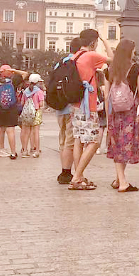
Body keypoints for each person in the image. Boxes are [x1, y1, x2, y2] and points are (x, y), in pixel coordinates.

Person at [68, 29, 114, 190]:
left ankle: (79, 176)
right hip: (88, 105)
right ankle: (76, 178)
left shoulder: (75, 56)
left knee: (78, 140)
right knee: (94, 142)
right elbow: (113, 61)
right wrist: (106, 42)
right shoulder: (91, 55)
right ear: (94, 42)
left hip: (76, 104)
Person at [106, 39, 139, 192]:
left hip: (114, 113)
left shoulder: (110, 69)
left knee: (117, 145)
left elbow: (107, 94)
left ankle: (118, 179)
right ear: (129, 51)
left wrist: (108, 115)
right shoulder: (135, 69)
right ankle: (123, 183)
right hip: (130, 112)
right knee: (125, 146)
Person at [54, 39, 83, 184]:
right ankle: (66, 172)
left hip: (59, 106)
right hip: (72, 106)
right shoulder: (77, 63)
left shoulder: (59, 63)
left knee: (63, 139)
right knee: (71, 141)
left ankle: (64, 168)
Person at [0, 64, 27, 159]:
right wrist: (14, 70)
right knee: (10, 131)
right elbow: (25, 74)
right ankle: (13, 153)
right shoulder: (15, 81)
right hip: (11, 109)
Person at [18, 74, 45, 158]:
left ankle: (25, 150)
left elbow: (22, 103)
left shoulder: (26, 91)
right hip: (36, 113)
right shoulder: (39, 92)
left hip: (27, 114)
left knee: (26, 132)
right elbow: (41, 104)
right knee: (36, 132)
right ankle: (36, 150)